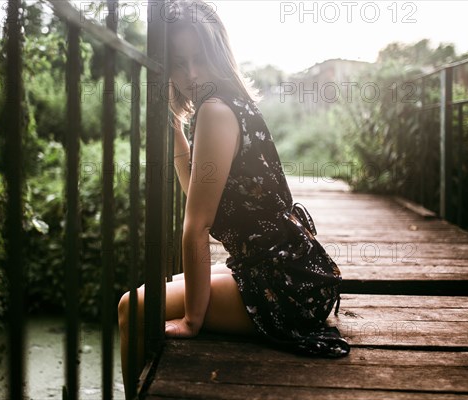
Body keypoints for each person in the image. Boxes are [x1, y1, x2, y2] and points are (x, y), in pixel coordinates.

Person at [118, 0, 349, 392]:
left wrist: (193, 321)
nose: (190, 74)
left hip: (283, 284)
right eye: (178, 62)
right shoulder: (230, 103)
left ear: (219, 56)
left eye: (199, 59)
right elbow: (199, 196)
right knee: (174, 281)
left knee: (131, 308)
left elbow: (198, 225)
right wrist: (176, 129)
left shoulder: (215, 110)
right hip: (295, 268)